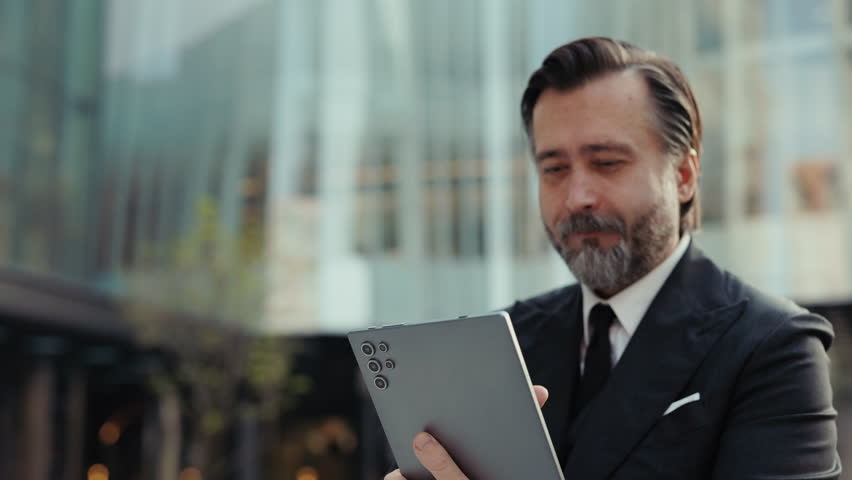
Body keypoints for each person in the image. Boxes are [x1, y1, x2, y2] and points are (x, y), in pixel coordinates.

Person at [385, 37, 841, 479]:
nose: (577, 197)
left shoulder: (772, 347)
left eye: (607, 163)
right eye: (554, 169)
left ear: (683, 175)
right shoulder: (507, 342)